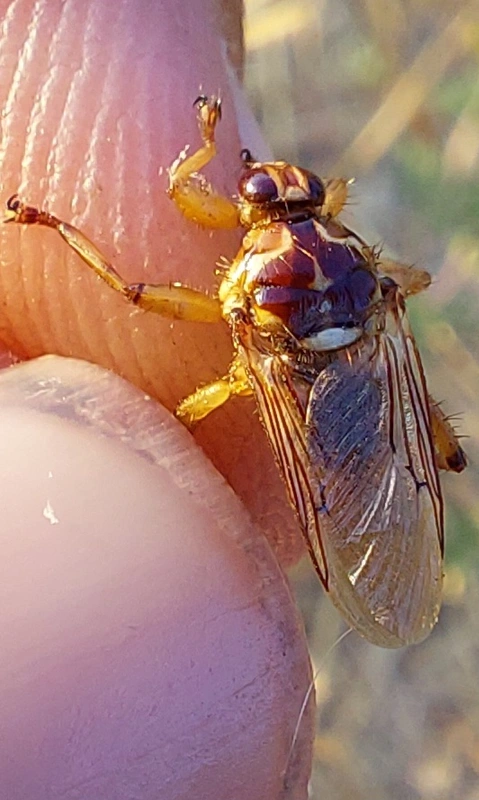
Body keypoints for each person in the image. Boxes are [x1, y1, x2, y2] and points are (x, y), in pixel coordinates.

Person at [0, 0, 313, 797]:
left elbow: (172, 212)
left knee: (146, 318)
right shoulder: (337, 264)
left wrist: (207, 151)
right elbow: (396, 288)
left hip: (280, 407)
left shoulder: (253, 278)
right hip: (319, 403)